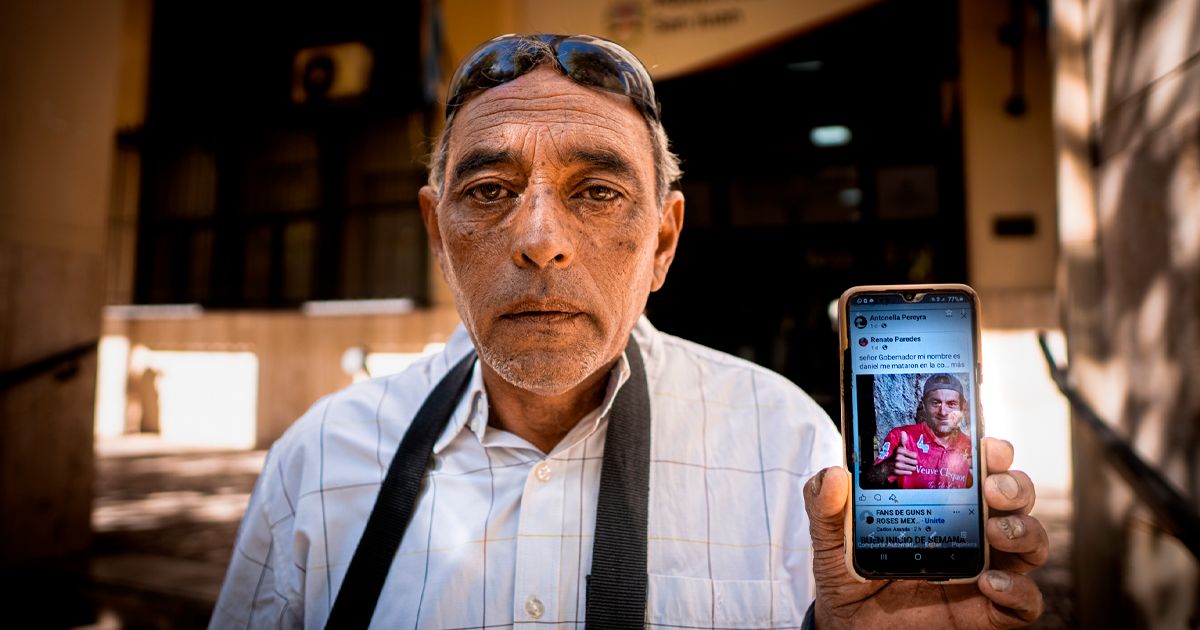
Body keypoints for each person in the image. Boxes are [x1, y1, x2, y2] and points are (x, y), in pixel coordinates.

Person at [212, 34, 1048, 629]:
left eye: (599, 192)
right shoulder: (319, 461)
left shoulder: (788, 447)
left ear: (663, 241)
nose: (540, 237)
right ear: (438, 235)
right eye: (490, 190)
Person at [867, 374, 974, 490]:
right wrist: (886, 468)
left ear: (962, 407)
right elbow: (865, 482)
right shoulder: (900, 437)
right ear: (924, 404)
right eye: (935, 402)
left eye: (951, 404)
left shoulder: (972, 447)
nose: (943, 412)